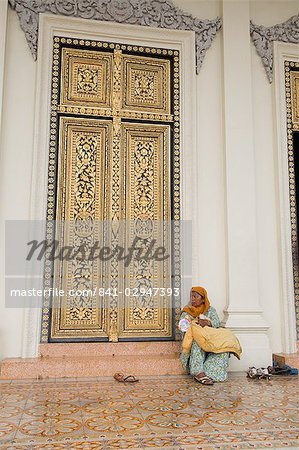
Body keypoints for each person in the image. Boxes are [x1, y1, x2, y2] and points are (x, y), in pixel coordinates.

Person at [178, 286, 229, 385]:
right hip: (195, 340)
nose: (192, 299)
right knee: (198, 341)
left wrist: (208, 323)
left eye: (195, 297)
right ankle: (199, 373)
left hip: (210, 338)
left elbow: (217, 323)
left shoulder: (210, 310)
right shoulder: (187, 311)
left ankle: (210, 373)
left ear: (202, 299)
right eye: (191, 297)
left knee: (224, 346)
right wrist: (194, 324)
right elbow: (182, 326)